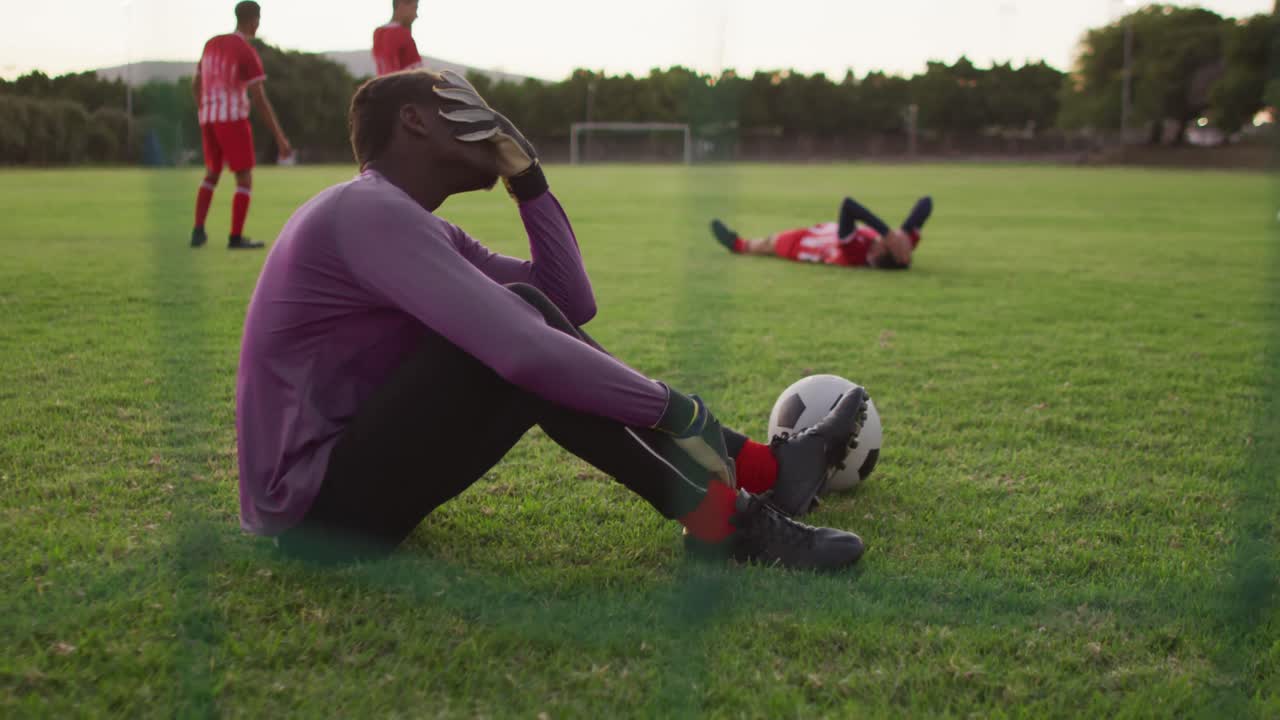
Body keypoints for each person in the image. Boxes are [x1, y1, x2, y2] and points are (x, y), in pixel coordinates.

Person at [236, 69, 871, 572]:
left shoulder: (415, 225)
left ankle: (762, 473)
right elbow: (525, 352)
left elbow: (566, 299)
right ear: (415, 120)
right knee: (521, 335)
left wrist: (529, 180)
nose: (491, 122)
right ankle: (725, 520)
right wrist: (676, 409)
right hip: (316, 515)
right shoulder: (366, 210)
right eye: (468, 107)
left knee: (529, 314)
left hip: (347, 492)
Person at [190, 1, 292, 250]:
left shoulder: (211, 44)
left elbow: (196, 83)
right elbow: (259, 97)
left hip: (209, 117)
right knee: (244, 177)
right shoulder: (245, 51)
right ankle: (236, 237)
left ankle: (198, 231)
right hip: (232, 118)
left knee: (212, 173)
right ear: (254, 20)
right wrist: (280, 137)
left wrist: (203, 108)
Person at [711, 196, 933, 270]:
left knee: (767, 244)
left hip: (806, 245)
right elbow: (926, 203)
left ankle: (737, 245)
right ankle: (739, 244)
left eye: (884, 241)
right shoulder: (900, 250)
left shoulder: (855, 253)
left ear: (876, 254)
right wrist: (904, 233)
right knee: (769, 242)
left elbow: (848, 205)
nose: (885, 237)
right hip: (824, 232)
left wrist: (887, 232)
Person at [373, 1, 424, 76]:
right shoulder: (402, 34)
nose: (416, 16)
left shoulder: (378, 33)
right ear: (401, 5)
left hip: (383, 85)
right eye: (414, 8)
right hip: (401, 86)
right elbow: (417, 75)